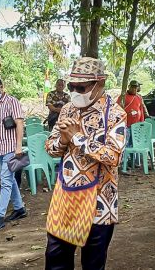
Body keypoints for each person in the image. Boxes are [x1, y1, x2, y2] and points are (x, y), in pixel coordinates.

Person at [44, 57, 127, 269]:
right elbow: (51, 148)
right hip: (66, 196)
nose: (74, 92)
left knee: (93, 263)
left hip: (99, 203)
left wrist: (76, 137)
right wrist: (62, 139)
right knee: (55, 261)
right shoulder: (68, 109)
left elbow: (113, 156)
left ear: (99, 83)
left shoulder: (115, 114)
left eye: (80, 87)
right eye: (71, 86)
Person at [0, 76, 28, 233]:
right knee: (8, 179)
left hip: (10, 147)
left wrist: (18, 147)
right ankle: (19, 208)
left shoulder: (12, 102)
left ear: (1, 87)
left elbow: (19, 124)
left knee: (5, 181)